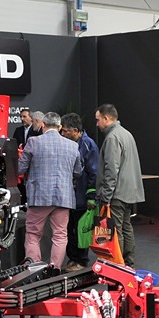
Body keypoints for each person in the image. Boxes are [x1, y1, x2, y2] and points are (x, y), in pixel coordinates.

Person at [18, 112, 82, 269]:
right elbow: (78, 172)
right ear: (60, 127)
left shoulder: (33, 142)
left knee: (33, 235)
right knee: (60, 236)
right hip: (63, 197)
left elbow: (20, 168)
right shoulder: (73, 145)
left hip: (38, 197)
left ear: (43, 126)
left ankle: (34, 270)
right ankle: (55, 270)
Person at [94, 103, 145, 268]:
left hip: (116, 193)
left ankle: (118, 266)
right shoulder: (126, 134)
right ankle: (128, 264)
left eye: (98, 120)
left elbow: (111, 170)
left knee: (116, 231)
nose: (97, 124)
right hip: (128, 192)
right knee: (126, 227)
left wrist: (106, 196)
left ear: (106, 118)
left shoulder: (112, 138)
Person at [60, 112, 98, 271]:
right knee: (69, 230)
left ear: (75, 131)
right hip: (68, 197)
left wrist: (91, 196)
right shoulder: (67, 144)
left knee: (81, 230)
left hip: (82, 198)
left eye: (65, 131)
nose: (62, 134)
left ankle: (81, 261)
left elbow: (94, 173)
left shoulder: (89, 145)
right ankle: (73, 258)